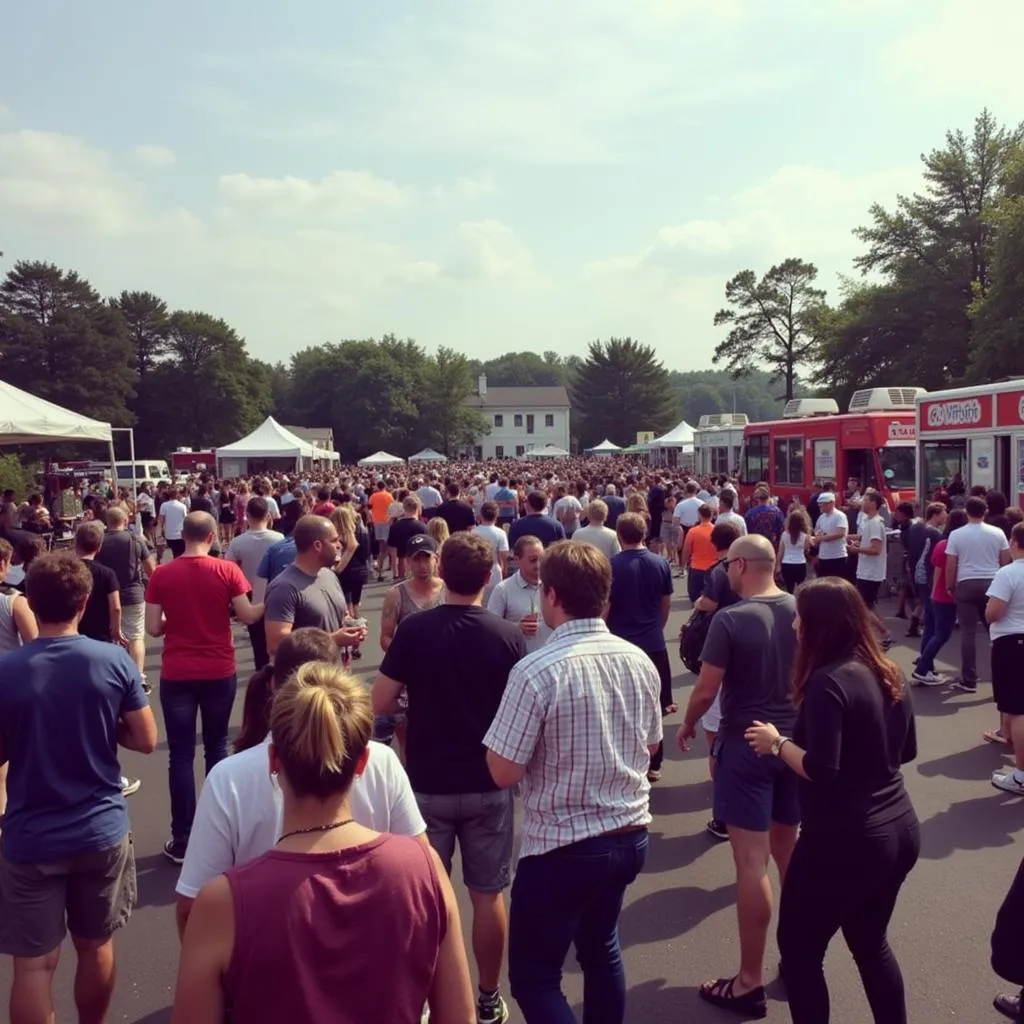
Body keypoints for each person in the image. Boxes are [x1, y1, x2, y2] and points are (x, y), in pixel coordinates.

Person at [171, 661, 476, 1024]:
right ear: (363, 762)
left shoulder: (223, 904)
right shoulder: (424, 871)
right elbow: (460, 1016)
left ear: (273, 760)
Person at [484, 540, 661, 1024]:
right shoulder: (638, 660)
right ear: (605, 597)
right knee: (601, 948)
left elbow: (503, 771)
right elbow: (649, 747)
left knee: (535, 978)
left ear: (551, 595)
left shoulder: (535, 670)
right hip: (629, 833)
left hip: (562, 844)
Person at [175, 627, 428, 938]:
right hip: (370, 950)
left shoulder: (228, 778)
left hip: (265, 956)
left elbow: (193, 906)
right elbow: (425, 870)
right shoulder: (382, 760)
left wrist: (213, 971)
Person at [745, 576, 919, 1024]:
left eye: (800, 616)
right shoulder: (889, 669)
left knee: (801, 952)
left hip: (844, 839)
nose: (794, 625)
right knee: (870, 942)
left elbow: (823, 769)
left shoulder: (828, 682)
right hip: (898, 828)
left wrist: (777, 743)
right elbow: (906, 751)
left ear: (819, 624)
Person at [373, 533, 527, 1024]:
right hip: (486, 780)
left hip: (427, 782)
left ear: (442, 568)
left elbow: (379, 700)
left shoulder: (416, 631)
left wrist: (413, 702)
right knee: (488, 894)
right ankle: (485, 995)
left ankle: (423, 994)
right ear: (489, 578)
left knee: (425, 898)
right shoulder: (507, 635)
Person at [0, 552, 157, 1023]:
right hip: (99, 828)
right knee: (95, 945)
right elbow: (146, 739)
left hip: (30, 835)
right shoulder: (112, 660)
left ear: (31, 601)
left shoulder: (7, 672)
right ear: (84, 602)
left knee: (33, 964)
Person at [677, 534, 799, 1019]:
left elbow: (706, 690)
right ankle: (797, 954)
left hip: (746, 744)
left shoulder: (730, 618)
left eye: (728, 565)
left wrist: (686, 724)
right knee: (790, 855)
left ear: (743, 565)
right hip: (790, 744)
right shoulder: (799, 607)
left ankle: (749, 981)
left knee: (752, 865)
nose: (725, 571)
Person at [145, 512, 265, 864]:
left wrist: (176, 619)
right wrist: (268, 597)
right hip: (218, 669)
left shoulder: (163, 574)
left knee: (180, 755)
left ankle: (183, 836)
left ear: (182, 535)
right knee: (217, 749)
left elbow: (153, 628)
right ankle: (221, 831)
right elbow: (248, 616)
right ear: (212, 536)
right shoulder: (226, 570)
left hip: (178, 672)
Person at [607, 513, 675, 782]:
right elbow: (665, 602)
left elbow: (606, 606)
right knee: (655, 705)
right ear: (645, 533)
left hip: (620, 643)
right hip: (653, 642)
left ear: (619, 536)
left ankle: (626, 758)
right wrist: (657, 627)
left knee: (620, 706)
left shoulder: (611, 565)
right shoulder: (660, 563)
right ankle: (654, 763)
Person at [690, 520, 743, 841]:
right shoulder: (759, 581)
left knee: (716, 735)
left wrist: (697, 604)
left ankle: (723, 815)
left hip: (723, 656)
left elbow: (708, 603)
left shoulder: (718, 572)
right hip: (756, 663)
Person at [263, 515, 366, 660]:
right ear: (317, 546)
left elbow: (341, 616)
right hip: (304, 679)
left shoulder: (329, 575)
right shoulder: (284, 588)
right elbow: (276, 644)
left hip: (332, 674)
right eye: (334, 540)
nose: (340, 545)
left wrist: (352, 626)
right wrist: (332, 640)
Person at [945, 494, 1011, 693]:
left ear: (966, 512)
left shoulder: (956, 534)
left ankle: (969, 679)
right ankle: (1003, 676)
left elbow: (951, 564)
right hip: (992, 583)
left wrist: (950, 586)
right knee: (997, 632)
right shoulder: (997, 533)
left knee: (968, 633)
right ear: (986, 512)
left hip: (965, 583)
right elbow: (1005, 560)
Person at [224, 496, 284, 670]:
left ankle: (263, 679)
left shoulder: (237, 542)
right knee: (279, 641)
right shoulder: (279, 539)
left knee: (259, 647)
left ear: (247, 516)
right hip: (277, 595)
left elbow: (230, 572)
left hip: (250, 596)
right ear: (268, 515)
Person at [987, 522, 1024, 795]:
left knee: (1017, 709)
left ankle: (1021, 775)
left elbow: (994, 612)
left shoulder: (1008, 573)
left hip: (1012, 643)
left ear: (1013, 542)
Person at [913, 509, 968, 687]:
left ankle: (926, 666)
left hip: (936, 592)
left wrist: (934, 591)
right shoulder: (956, 546)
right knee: (942, 633)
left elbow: (936, 570)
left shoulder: (942, 543)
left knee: (930, 629)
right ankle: (922, 667)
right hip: (948, 594)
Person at [487, 535, 552, 654]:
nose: (538, 565)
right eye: (533, 560)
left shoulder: (553, 587)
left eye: (541, 559)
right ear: (517, 560)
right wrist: (516, 628)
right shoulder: (503, 589)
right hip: (517, 660)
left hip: (548, 658)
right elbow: (490, 629)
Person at [847, 493, 894, 650]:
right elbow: (865, 537)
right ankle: (882, 633)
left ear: (873, 504)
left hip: (870, 572)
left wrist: (855, 549)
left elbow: (875, 549)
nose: (862, 503)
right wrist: (846, 537)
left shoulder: (874, 523)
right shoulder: (870, 521)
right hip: (867, 571)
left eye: (865, 500)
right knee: (869, 605)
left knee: (862, 607)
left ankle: (884, 633)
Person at [681, 503, 718, 605]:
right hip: (713, 568)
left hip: (696, 568)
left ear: (699, 515)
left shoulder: (693, 531)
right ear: (712, 515)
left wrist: (683, 564)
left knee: (695, 599)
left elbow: (686, 550)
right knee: (713, 599)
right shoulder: (717, 530)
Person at [777, 508, 811, 593]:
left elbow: (780, 551)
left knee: (789, 588)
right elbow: (806, 549)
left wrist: (778, 565)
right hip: (800, 563)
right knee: (801, 588)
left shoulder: (784, 535)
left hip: (787, 563)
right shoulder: (805, 536)